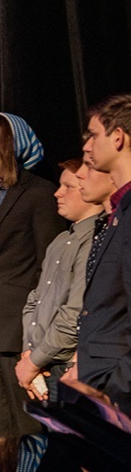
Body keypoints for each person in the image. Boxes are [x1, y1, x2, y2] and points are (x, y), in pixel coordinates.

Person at [0, 113, 64, 437]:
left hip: (23, 331)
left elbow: (49, 269)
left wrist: (36, 333)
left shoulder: (39, 193)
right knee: (0, 428)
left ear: (8, 147)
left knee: (30, 427)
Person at [15, 159, 103, 403]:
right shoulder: (60, 241)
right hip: (43, 363)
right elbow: (35, 300)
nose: (58, 193)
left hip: (68, 366)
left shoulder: (95, 240)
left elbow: (75, 311)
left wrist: (34, 360)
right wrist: (29, 353)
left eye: (68, 187)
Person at [77, 95, 131, 414]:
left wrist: (116, 390)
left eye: (93, 135)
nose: (86, 146)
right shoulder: (120, 212)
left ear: (119, 137)